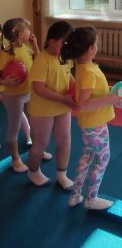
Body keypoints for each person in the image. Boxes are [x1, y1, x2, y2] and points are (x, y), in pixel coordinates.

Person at [60, 26, 122, 210]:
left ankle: (75, 195)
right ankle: (91, 199)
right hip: (95, 125)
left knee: (88, 156)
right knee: (103, 158)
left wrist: (110, 92)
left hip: (89, 124)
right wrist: (109, 100)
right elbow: (83, 103)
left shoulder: (84, 67)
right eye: (96, 44)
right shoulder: (88, 72)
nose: (97, 47)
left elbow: (93, 92)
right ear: (90, 49)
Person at [27, 21, 76, 188]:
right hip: (42, 109)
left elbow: (69, 76)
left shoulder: (65, 57)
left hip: (62, 107)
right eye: (64, 42)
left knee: (65, 141)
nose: (68, 47)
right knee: (41, 143)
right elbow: (39, 88)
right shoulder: (42, 60)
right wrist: (63, 98)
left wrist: (76, 90)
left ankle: (62, 175)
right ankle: (33, 171)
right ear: (52, 41)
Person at [0, 18, 49, 172]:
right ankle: (15, 159)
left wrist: (35, 46)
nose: (30, 32)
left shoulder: (25, 48)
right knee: (14, 127)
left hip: (29, 92)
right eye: (27, 29)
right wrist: (4, 82)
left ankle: (37, 150)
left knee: (35, 123)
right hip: (13, 96)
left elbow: (38, 62)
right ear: (20, 34)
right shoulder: (6, 53)